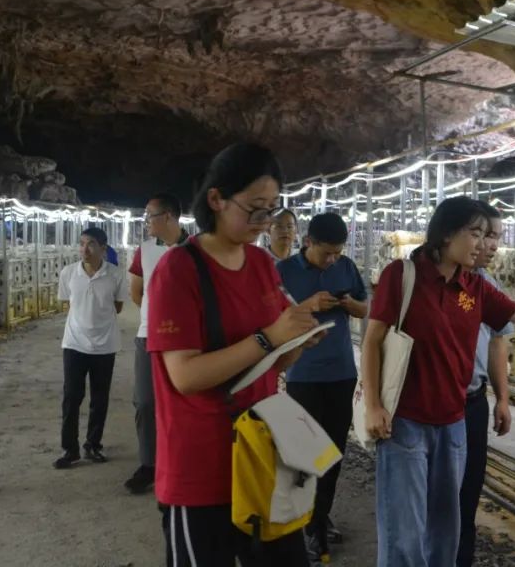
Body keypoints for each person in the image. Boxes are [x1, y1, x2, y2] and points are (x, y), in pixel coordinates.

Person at [363, 196, 515, 567]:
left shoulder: (475, 287)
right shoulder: (402, 275)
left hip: (453, 425)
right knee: (404, 533)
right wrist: (373, 405)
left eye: (487, 235)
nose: (484, 243)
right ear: (446, 234)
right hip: (405, 423)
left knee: (446, 529)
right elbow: (372, 340)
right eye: (475, 233)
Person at [147, 142, 324, 567]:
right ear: (216, 199)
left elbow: (272, 363)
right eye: (255, 209)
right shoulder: (179, 269)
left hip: (264, 453)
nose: (264, 223)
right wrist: (269, 337)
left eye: (272, 211)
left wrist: (294, 344)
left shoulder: (261, 264)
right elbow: (185, 376)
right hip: (204, 465)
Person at [277, 212, 368, 566]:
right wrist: (309, 305)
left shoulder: (346, 268)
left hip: (341, 373)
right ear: (308, 242)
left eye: (337, 253)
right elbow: (272, 320)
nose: (332, 260)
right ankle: (307, 523)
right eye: (326, 252)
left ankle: (318, 518)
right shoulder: (284, 271)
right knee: (305, 454)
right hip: (303, 375)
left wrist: (349, 305)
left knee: (332, 453)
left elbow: (365, 308)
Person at [457, 202, 514, 567]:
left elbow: (498, 341)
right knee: (433, 499)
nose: (490, 245)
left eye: (495, 237)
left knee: (467, 494)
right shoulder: (421, 279)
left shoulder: (487, 286)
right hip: (429, 408)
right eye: (482, 235)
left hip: (472, 403)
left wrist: (503, 398)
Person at [124, 193, 189, 495]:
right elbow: (137, 292)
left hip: (187, 340)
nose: (146, 221)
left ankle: (180, 462)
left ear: (169, 216)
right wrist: (158, 317)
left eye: (149, 215)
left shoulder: (195, 249)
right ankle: (149, 463)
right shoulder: (146, 250)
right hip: (149, 336)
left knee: (184, 402)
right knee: (145, 402)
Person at [55, 227, 129, 469]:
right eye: (82, 243)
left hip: (105, 345)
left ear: (103, 248)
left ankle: (93, 444)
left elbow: (118, 306)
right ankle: (70, 449)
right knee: (71, 397)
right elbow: (68, 304)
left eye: (91, 244)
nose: (84, 249)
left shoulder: (116, 275)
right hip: (74, 343)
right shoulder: (68, 273)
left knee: (100, 398)